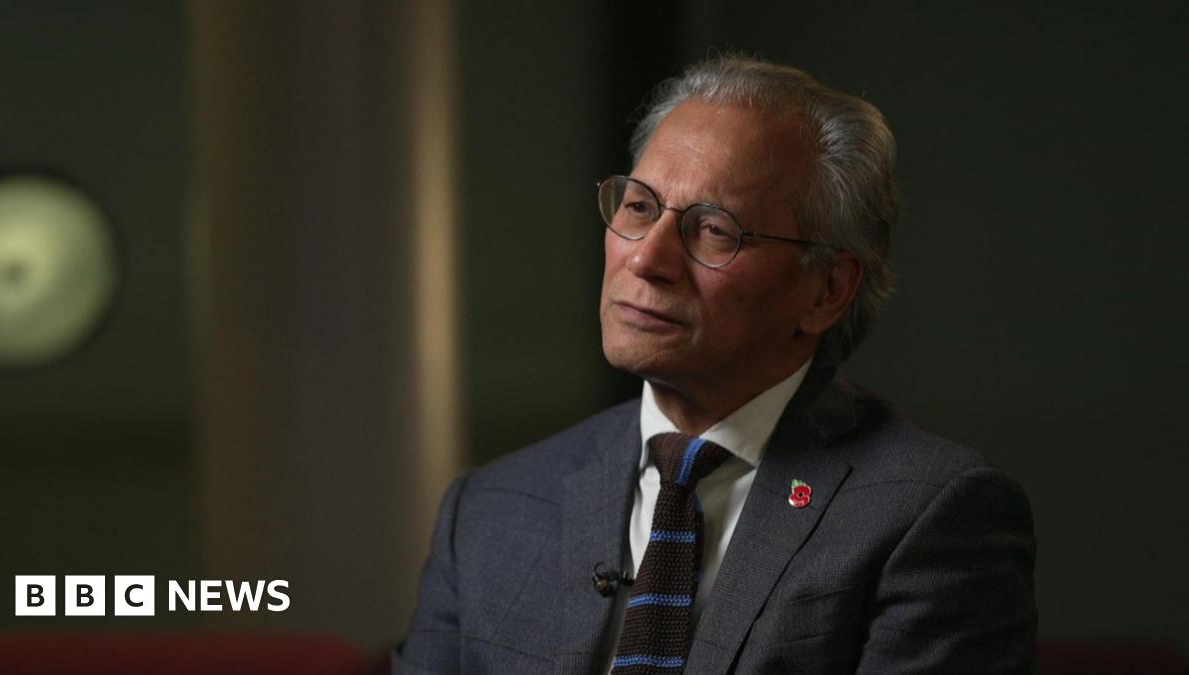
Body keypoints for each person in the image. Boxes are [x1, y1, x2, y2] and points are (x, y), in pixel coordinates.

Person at [394, 56, 1036, 674]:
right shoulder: (490, 510)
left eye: (714, 230)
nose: (646, 260)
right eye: (639, 207)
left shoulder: (930, 515)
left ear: (826, 291)